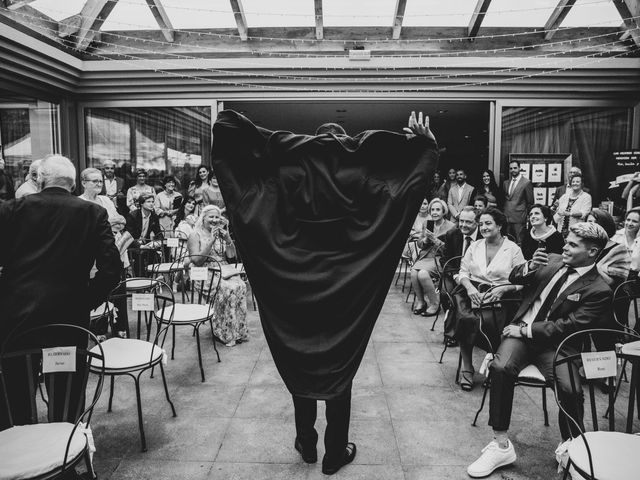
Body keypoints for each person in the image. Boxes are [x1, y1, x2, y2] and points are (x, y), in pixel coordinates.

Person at [212, 110, 438, 475]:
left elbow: (235, 162)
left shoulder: (287, 171)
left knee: (300, 358)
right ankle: (335, 452)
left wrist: (267, 140)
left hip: (293, 282)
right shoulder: (360, 174)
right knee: (338, 365)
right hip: (346, 284)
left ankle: (306, 442)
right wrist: (426, 148)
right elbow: (404, 194)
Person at [467, 222, 611, 478]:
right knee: (500, 367)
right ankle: (500, 445)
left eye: (573, 245)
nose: (564, 247)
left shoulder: (599, 289)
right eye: (566, 241)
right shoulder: (551, 260)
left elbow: (570, 325)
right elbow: (514, 277)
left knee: (571, 389)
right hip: (520, 333)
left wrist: (526, 331)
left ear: (592, 252)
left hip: (557, 345)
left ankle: (570, 449)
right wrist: (529, 266)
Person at [0, 154, 121, 429]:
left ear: (40, 179)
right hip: (67, 319)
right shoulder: (91, 212)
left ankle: (23, 458)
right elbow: (112, 269)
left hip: (16, 318)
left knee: (17, 390)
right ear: (71, 182)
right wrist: (86, 301)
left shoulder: (12, 210)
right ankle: (66, 454)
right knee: (66, 392)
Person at [451, 207, 525, 391]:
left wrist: (504, 289)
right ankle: (467, 368)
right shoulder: (474, 246)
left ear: (499, 225)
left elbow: (523, 281)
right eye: (481, 224)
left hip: (500, 296)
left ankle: (493, 364)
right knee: (465, 319)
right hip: (471, 292)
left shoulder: (513, 249)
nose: (483, 227)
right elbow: (462, 272)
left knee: (490, 322)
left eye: (488, 223)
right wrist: (469, 289)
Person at [186, 205, 248, 346]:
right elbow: (196, 260)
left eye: (217, 217)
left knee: (241, 285)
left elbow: (231, 256)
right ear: (203, 218)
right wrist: (211, 241)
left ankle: (238, 331)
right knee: (228, 289)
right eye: (211, 217)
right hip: (204, 272)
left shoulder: (221, 233)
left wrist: (227, 239)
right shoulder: (195, 234)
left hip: (224, 269)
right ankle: (224, 332)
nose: (214, 220)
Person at [410, 198, 455, 316]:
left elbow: (449, 250)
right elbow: (420, 244)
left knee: (422, 273)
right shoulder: (427, 223)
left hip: (440, 259)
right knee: (414, 272)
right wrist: (424, 240)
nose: (435, 212)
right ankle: (421, 302)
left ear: (444, 211)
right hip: (426, 256)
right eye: (432, 209)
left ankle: (435, 304)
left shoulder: (451, 227)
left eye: (438, 210)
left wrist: (435, 239)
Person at [587, 208, 631, 288]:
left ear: (606, 225)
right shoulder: (583, 246)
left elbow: (613, 283)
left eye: (597, 222)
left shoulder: (619, 250)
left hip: (606, 294)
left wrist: (590, 266)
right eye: (590, 222)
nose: (592, 225)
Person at [503, 160, 533, 243]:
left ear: (519, 168)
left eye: (515, 168)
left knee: (519, 241)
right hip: (507, 217)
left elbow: (530, 202)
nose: (513, 170)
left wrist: (527, 217)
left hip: (519, 218)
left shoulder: (526, 182)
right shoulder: (506, 183)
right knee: (507, 242)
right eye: (511, 168)